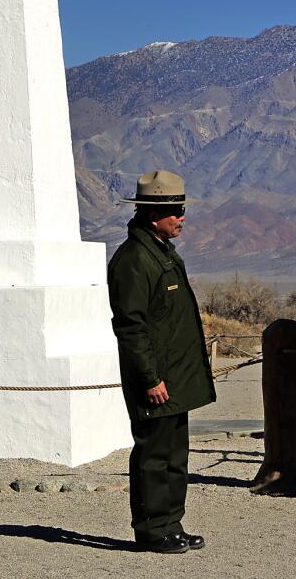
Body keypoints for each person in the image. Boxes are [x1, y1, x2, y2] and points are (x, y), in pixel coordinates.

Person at [108, 170, 216, 554]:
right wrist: (150, 378)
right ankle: (152, 529)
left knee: (174, 456)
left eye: (183, 209)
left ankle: (172, 524)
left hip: (176, 377)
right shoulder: (134, 260)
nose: (182, 217)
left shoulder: (162, 252)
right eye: (176, 211)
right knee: (154, 455)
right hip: (156, 380)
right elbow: (131, 327)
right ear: (154, 214)